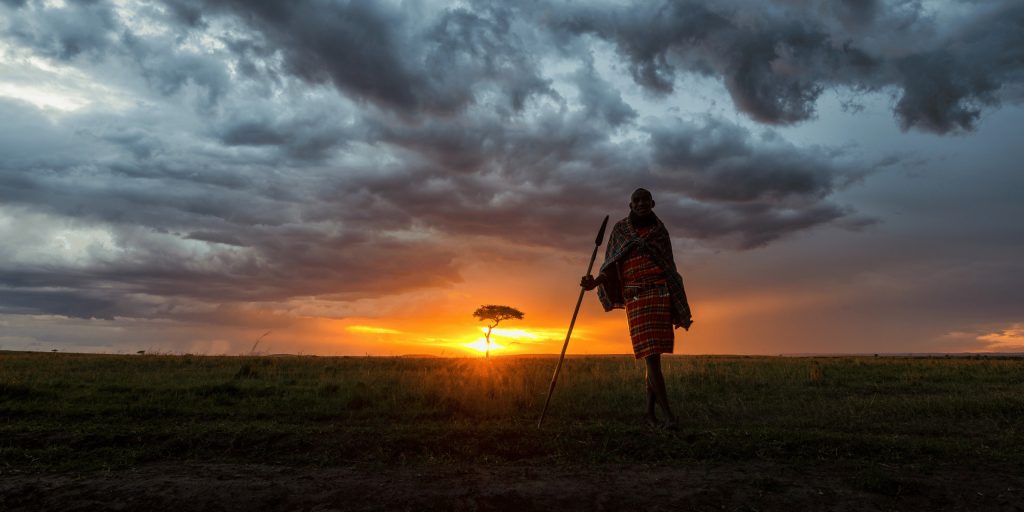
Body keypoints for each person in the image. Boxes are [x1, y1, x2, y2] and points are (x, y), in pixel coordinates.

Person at [581, 188, 693, 428]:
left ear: (653, 203)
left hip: (660, 294)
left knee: (652, 357)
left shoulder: (660, 232)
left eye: (645, 200)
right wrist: (594, 283)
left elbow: (668, 265)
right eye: (636, 200)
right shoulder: (621, 231)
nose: (641, 203)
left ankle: (650, 414)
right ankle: (668, 417)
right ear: (630, 205)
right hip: (637, 298)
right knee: (651, 357)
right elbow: (610, 265)